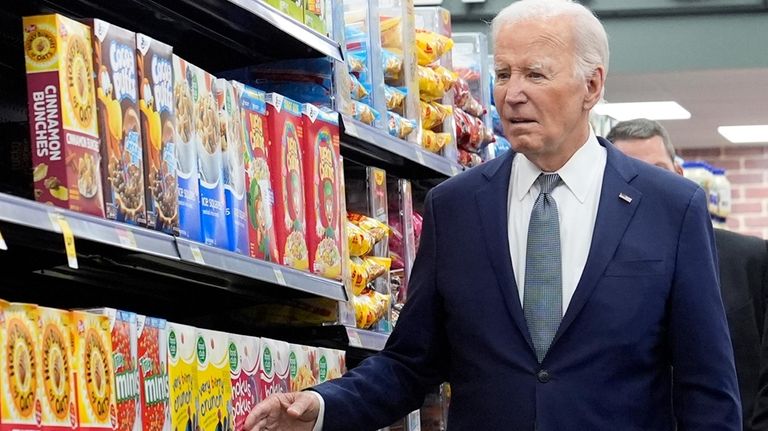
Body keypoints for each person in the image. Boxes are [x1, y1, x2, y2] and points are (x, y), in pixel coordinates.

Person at [245, 0, 742, 429]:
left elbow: (707, 390)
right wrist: (322, 407)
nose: (512, 93)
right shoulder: (456, 206)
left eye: (535, 74)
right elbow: (409, 364)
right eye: (503, 73)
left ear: (592, 86)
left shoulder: (670, 208)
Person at [608, 118, 768, 431]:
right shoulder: (592, 273)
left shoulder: (751, 260)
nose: (647, 186)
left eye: (658, 171)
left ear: (679, 176)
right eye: (632, 174)